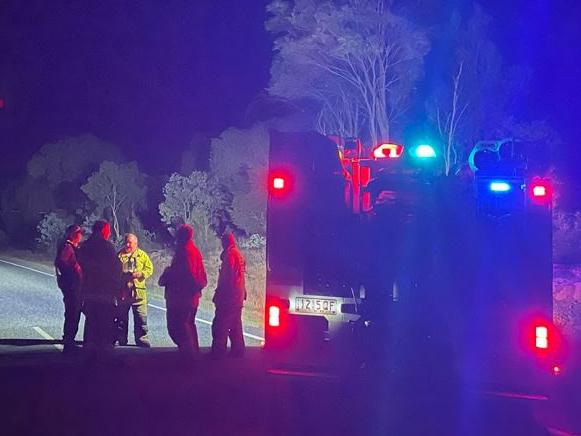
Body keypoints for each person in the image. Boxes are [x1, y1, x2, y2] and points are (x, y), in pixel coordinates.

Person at [159, 224, 207, 357]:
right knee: (189, 325)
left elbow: (183, 274)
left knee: (179, 328)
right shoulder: (194, 251)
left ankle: (189, 357)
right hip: (191, 298)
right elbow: (202, 276)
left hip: (180, 298)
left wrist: (167, 274)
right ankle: (194, 355)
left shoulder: (184, 252)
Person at [77, 220, 123, 352]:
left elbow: (80, 265)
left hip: (88, 290)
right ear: (103, 231)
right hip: (105, 292)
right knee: (104, 321)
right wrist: (117, 285)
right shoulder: (106, 247)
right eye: (108, 230)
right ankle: (103, 351)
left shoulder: (85, 246)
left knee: (91, 320)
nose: (109, 233)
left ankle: (89, 349)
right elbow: (116, 267)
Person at [211, 232, 247, 358]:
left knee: (220, 324)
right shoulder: (237, 254)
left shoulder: (231, 255)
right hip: (238, 296)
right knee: (235, 324)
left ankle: (218, 352)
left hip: (230, 297)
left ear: (226, 242)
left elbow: (227, 277)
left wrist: (219, 294)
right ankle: (238, 351)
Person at [116, 233, 154, 347]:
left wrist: (141, 274)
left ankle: (142, 339)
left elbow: (149, 269)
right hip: (123, 292)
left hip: (138, 293)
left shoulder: (142, 255)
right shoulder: (118, 255)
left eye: (130, 243)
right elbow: (112, 270)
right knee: (121, 318)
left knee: (141, 318)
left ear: (136, 244)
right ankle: (121, 339)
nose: (127, 245)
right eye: (126, 242)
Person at [54, 224, 84, 352]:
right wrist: (75, 270)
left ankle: (69, 339)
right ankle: (69, 341)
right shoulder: (67, 247)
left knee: (73, 312)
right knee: (73, 312)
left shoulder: (71, 247)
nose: (81, 236)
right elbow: (62, 264)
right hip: (72, 287)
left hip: (72, 286)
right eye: (79, 233)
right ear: (73, 234)